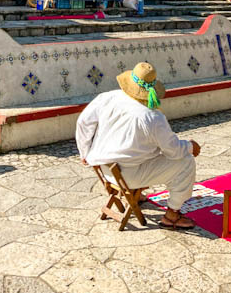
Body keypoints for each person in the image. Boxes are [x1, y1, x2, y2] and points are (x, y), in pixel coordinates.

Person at [76, 61, 201, 230]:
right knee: (185, 162)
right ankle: (172, 215)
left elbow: (84, 122)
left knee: (141, 151)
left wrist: (84, 153)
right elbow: (173, 151)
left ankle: (137, 196)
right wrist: (191, 147)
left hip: (106, 171)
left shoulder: (107, 97)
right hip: (129, 177)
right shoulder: (152, 116)